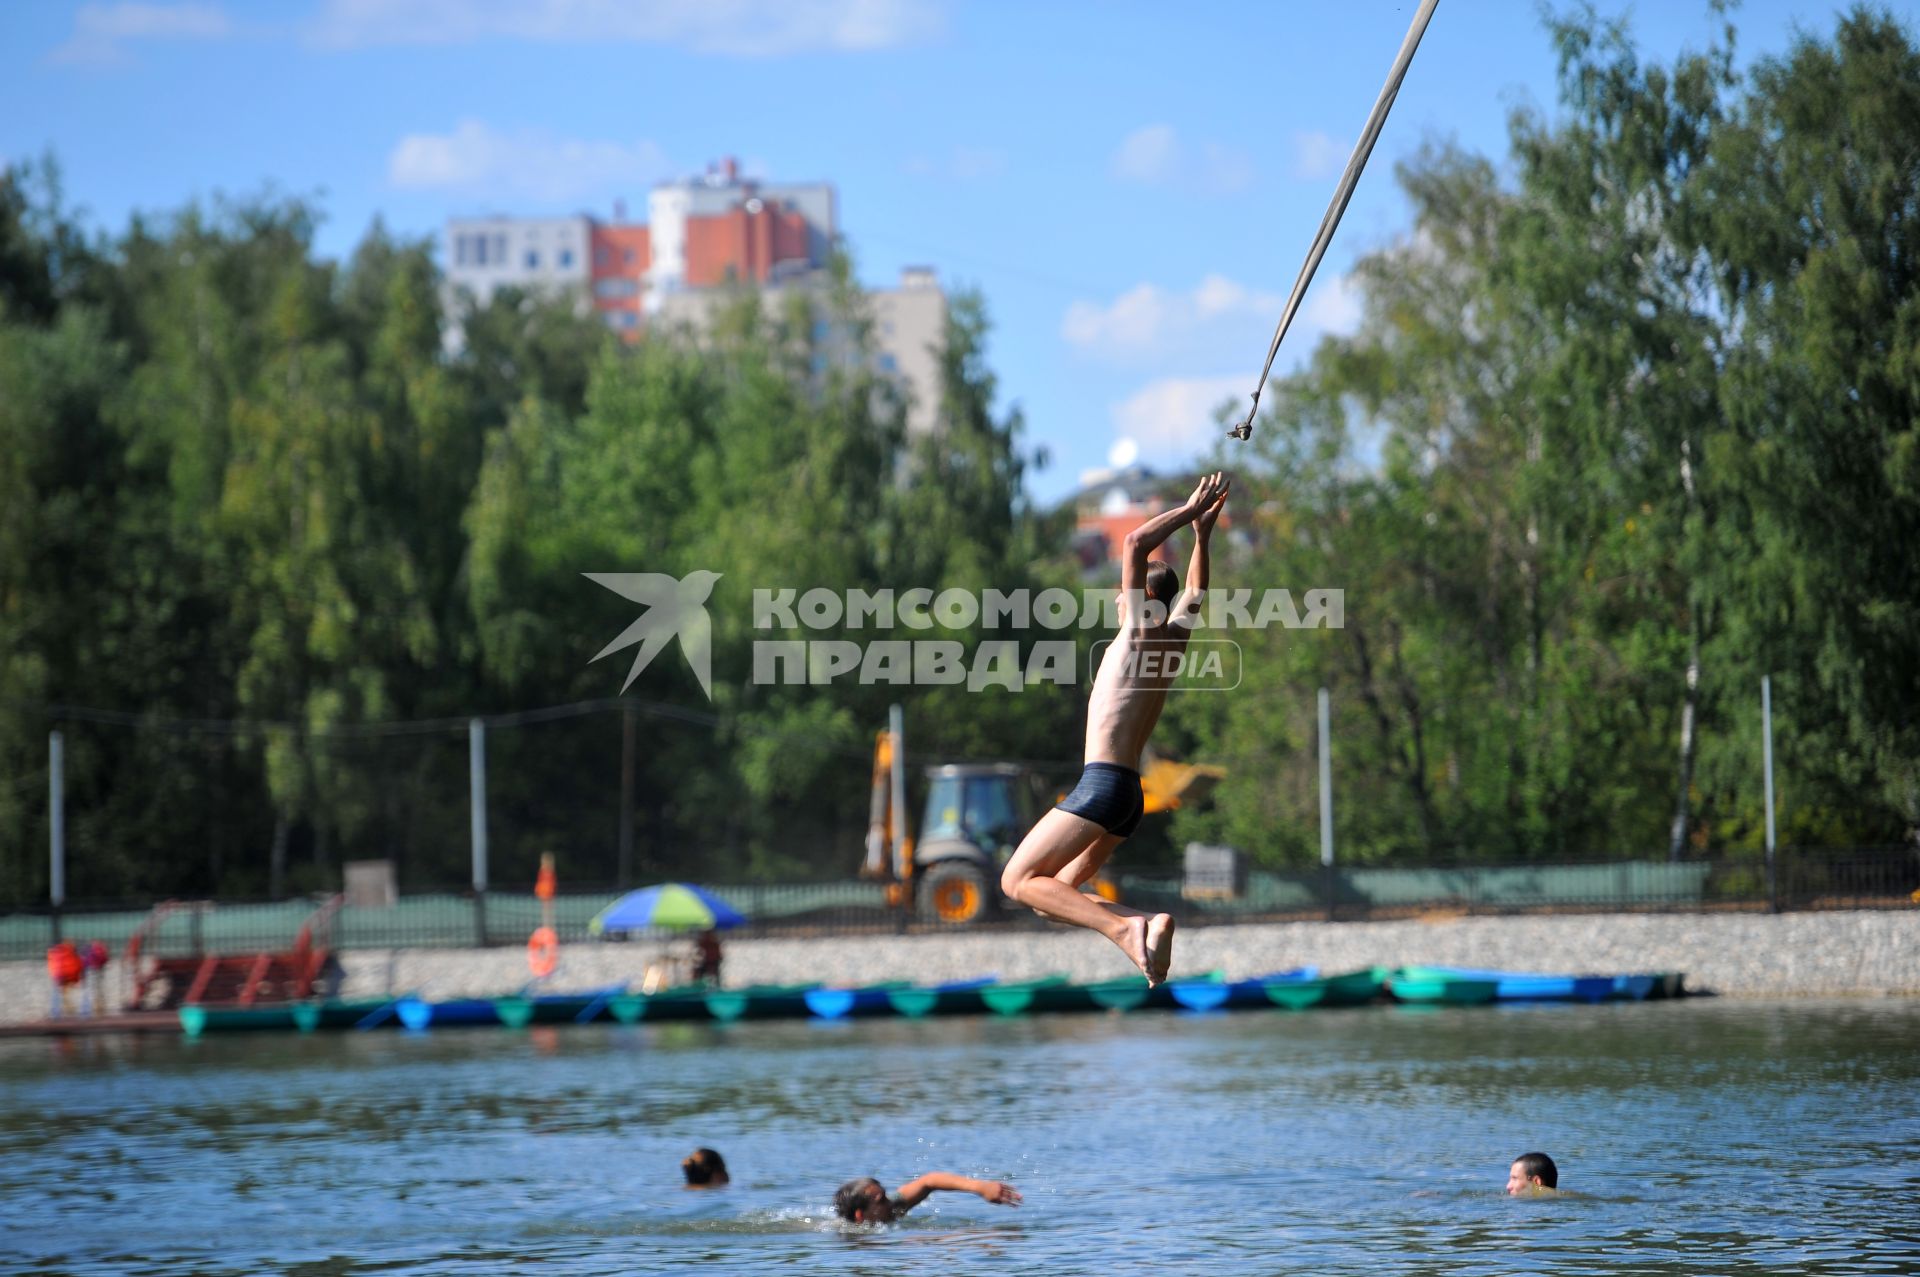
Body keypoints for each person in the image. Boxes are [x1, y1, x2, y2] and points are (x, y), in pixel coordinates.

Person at [1000, 471, 1230, 985]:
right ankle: (1138, 927)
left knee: (1016, 879)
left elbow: (1133, 541)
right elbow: (1196, 590)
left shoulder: (1137, 628)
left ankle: (1128, 930)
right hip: (1129, 797)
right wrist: (1203, 537)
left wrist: (1190, 512)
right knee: (1051, 895)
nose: (1116, 598)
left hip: (1103, 784)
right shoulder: (1172, 645)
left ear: (1141, 598)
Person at [833, 1172, 1021, 1223]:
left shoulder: (892, 1208)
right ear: (860, 1216)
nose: (890, 1201)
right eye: (881, 1200)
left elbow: (929, 1181)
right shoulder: (856, 1237)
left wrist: (980, 1187)